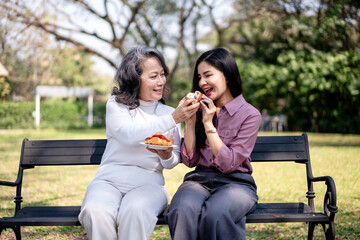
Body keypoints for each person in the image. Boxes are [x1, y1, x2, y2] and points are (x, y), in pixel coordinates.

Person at [78, 46, 199, 240]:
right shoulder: (117, 105)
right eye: (153, 76)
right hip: (108, 182)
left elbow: (173, 161)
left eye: (162, 75)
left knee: (135, 211)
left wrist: (167, 156)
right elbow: (128, 134)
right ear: (135, 79)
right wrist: (174, 118)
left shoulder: (168, 112)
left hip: (149, 186)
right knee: (95, 210)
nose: (161, 82)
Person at [166, 48, 262, 240]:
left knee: (217, 214)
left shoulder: (250, 115)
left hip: (237, 183)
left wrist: (209, 125)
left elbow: (229, 163)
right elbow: (190, 159)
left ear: (227, 74)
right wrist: (191, 123)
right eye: (199, 77)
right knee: (181, 209)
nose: (202, 82)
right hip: (199, 180)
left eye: (208, 75)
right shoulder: (200, 109)